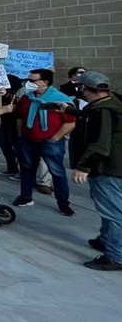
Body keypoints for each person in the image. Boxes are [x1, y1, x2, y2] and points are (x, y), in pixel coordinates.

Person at [68, 71, 122, 271]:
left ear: (85, 88)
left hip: (106, 168)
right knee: (110, 207)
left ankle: (116, 256)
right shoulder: (109, 104)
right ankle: (106, 239)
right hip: (111, 167)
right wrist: (72, 112)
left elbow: (100, 144)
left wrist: (83, 167)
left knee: (114, 211)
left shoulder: (103, 111)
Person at [13, 68, 76, 214]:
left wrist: (56, 138)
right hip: (28, 140)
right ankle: (25, 197)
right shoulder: (26, 98)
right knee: (27, 169)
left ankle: (63, 203)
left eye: (32, 80)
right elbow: (20, 117)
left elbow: (70, 122)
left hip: (51, 141)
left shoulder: (60, 100)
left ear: (44, 82)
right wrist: (20, 135)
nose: (28, 83)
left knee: (57, 171)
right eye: (27, 80)